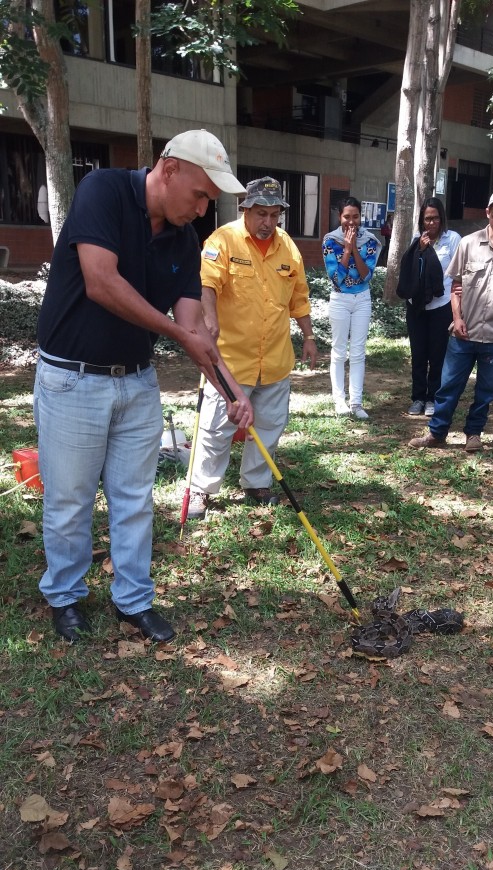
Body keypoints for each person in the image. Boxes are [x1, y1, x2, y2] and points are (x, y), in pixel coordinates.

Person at [34, 129, 253, 643]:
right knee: (70, 500)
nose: (202, 210)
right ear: (169, 168)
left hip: (136, 383)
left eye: (211, 202)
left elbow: (194, 327)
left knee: (134, 498)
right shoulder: (104, 190)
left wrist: (231, 388)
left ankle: (132, 600)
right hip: (72, 378)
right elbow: (100, 280)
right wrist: (176, 332)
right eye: (200, 194)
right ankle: (65, 598)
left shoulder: (183, 238)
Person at [186, 176, 317, 520]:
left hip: (274, 359)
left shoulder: (288, 247)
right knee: (217, 427)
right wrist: (209, 320)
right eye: (261, 214)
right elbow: (206, 283)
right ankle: (201, 488)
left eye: (275, 215)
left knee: (271, 424)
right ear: (245, 209)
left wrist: (309, 336)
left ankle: (256, 485)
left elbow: (299, 297)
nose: (268, 223)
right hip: (230, 359)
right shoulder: (223, 240)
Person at [409, 189, 493, 453]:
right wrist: (457, 317)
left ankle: (474, 433)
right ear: (487, 212)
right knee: (449, 385)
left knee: (487, 390)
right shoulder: (468, 243)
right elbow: (456, 284)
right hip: (464, 331)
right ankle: (436, 433)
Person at [322, 196, 381, 418]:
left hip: (362, 299)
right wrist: (346, 250)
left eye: (355, 216)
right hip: (340, 299)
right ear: (340, 217)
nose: (351, 221)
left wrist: (355, 248)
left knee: (357, 352)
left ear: (360, 217)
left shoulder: (371, 242)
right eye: (347, 217)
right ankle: (340, 401)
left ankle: (356, 403)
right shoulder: (330, 241)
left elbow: (367, 276)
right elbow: (336, 278)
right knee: (338, 352)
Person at [402, 197, 460, 417]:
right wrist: (420, 250)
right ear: (421, 220)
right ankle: (417, 397)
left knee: (437, 354)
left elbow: (457, 273)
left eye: (435, 218)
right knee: (418, 353)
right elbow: (408, 269)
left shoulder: (452, 239)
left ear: (441, 218)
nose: (431, 223)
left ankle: (432, 398)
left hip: (442, 305)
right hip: (416, 305)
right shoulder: (416, 238)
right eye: (427, 219)